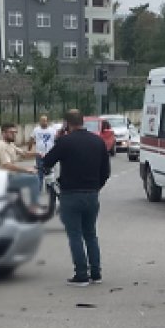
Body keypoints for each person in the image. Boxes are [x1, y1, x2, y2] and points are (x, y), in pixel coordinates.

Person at [42, 110, 111, 286]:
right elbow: (106, 171)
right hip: (92, 194)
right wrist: (96, 187)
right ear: (83, 121)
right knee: (91, 234)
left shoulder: (65, 142)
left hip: (71, 194)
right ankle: (96, 273)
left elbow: (47, 162)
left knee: (75, 235)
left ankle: (81, 274)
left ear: (67, 124)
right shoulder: (98, 141)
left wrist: (58, 139)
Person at [28, 114, 59, 181]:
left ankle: (49, 187)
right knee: (40, 172)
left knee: (50, 172)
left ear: (47, 121)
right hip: (39, 154)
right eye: (42, 121)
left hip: (50, 154)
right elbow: (31, 139)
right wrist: (29, 149)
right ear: (39, 121)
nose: (43, 122)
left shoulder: (52, 130)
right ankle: (39, 188)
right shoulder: (36, 130)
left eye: (45, 121)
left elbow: (56, 140)